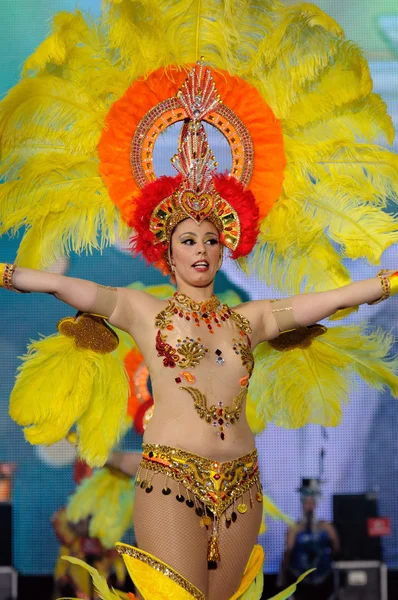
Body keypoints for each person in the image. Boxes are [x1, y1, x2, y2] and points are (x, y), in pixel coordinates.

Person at [2, 2, 398, 598]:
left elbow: (332, 299)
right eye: (189, 239)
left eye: (213, 239)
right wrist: (8, 273)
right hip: (169, 479)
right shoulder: (142, 311)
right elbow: (65, 285)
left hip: (242, 482)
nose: (202, 250)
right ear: (165, 246)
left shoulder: (252, 318)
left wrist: (390, 282)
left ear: (225, 246)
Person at [281, 479, 339, 600]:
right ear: (302, 504)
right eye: (307, 502)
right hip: (300, 579)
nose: (309, 506)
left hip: (323, 578)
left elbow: (336, 548)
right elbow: (287, 553)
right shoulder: (294, 529)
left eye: (312, 502)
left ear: (316, 504)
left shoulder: (326, 527)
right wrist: (282, 577)